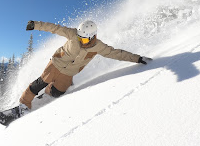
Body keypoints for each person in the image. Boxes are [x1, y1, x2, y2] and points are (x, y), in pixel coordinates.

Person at [19, 20, 152, 110]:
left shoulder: (98, 46)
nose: (80, 40)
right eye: (79, 37)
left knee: (57, 93)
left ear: (92, 36)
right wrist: (36, 25)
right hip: (56, 63)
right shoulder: (73, 34)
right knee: (40, 83)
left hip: (69, 73)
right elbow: (54, 28)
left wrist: (138, 58)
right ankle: (23, 105)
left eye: (83, 38)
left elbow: (116, 53)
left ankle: (49, 90)